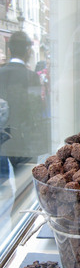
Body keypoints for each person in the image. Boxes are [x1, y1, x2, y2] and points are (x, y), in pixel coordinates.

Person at [0, 31, 45, 173]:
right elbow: (36, 109)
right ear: (28, 51)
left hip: (4, 142)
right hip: (26, 141)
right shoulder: (31, 76)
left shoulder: (1, 73)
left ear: (9, 50)